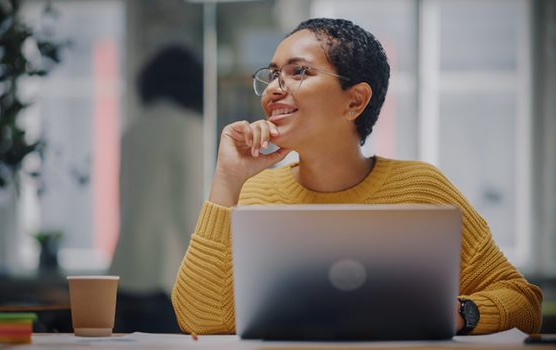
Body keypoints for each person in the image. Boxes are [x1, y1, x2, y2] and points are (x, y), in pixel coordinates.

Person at [171, 18, 542, 335]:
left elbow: (524, 304)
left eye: (298, 71)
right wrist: (227, 179)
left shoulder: (423, 187)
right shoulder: (255, 193)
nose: (272, 89)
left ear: (355, 101)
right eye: (272, 74)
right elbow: (200, 319)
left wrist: (461, 313)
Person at [110, 46, 203, 332]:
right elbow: (190, 207)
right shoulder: (187, 127)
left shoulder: (133, 131)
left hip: (125, 268)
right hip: (167, 273)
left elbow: (123, 199)